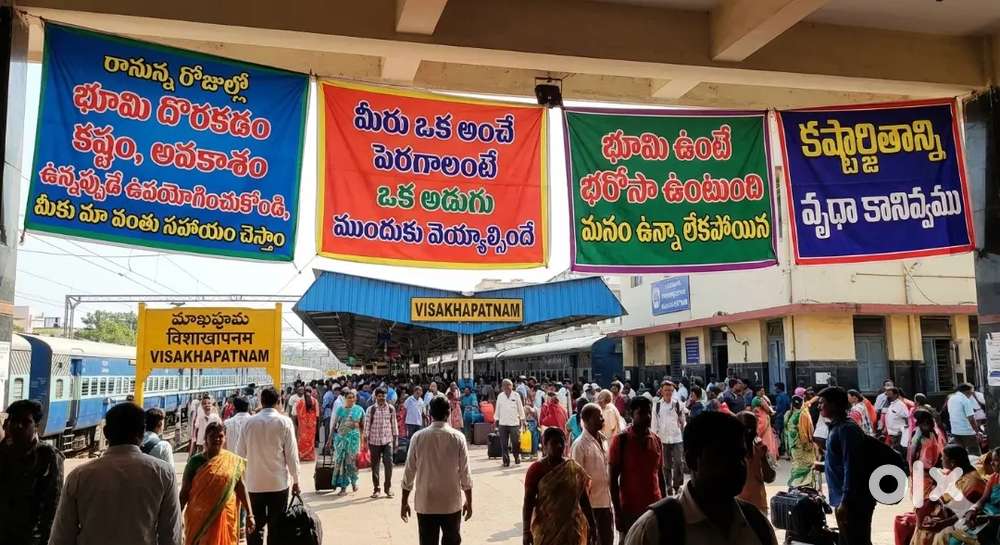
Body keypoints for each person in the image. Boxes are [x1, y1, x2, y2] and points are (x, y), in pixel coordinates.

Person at [622, 411, 778, 545]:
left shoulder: (757, 525)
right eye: (723, 456)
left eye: (740, 456)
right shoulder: (654, 530)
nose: (738, 465)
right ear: (691, 460)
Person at [49, 402, 181, 545]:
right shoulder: (164, 473)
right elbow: (171, 536)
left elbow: (61, 537)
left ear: (105, 433)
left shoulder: (79, 476)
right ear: (143, 432)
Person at [401, 396, 473, 545]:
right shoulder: (458, 437)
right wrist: (469, 501)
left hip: (426, 502)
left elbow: (409, 472)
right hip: (451, 503)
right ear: (449, 413)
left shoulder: (418, 437)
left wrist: (404, 502)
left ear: (430, 414)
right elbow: (465, 473)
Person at [234, 386, 300, 545]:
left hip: (253, 484)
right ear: (279, 401)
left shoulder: (248, 423)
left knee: (254, 526)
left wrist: (238, 480)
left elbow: (239, 455)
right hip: (278, 484)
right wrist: (296, 480)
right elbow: (291, 455)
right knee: (276, 527)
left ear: (261, 402)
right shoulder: (285, 422)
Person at [0, 400, 63, 545]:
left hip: (31, 538)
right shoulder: (3, 452)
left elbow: (53, 505)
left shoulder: (48, 456)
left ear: (36, 426)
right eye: (14, 421)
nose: (18, 426)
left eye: (25, 422)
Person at [179, 421, 254, 545]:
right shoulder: (195, 462)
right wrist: (177, 514)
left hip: (226, 516)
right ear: (205, 438)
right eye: (212, 436)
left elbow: (240, 487)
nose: (217, 439)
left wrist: (250, 515)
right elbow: (184, 491)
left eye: (220, 436)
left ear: (225, 438)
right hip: (199, 518)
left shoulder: (232, 461)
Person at [819, 386, 876, 545]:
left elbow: (853, 467)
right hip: (843, 498)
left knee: (856, 540)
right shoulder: (836, 427)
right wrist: (824, 465)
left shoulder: (847, 429)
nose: (819, 406)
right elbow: (842, 461)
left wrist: (845, 501)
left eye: (822, 402)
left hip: (853, 500)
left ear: (834, 404)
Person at [524, 427, 598, 545]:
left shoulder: (573, 468)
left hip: (572, 531)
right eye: (554, 443)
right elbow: (528, 502)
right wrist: (526, 531)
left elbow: (583, 499)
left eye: (561, 442)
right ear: (545, 445)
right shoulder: (536, 470)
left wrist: (593, 526)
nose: (559, 446)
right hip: (546, 531)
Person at [610, 396, 666, 539]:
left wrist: (665, 505)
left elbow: (660, 475)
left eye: (649, 412)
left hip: (654, 507)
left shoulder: (656, 440)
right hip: (630, 510)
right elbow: (613, 481)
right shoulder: (621, 440)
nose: (647, 417)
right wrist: (617, 513)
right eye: (641, 413)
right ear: (631, 414)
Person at [572, 403, 614, 545]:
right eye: (599, 417)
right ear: (588, 420)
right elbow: (577, 480)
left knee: (607, 540)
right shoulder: (579, 445)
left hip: (606, 502)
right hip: (590, 506)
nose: (603, 419)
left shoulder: (604, 440)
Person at [735, 411, 776, 515]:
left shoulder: (759, 448)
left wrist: (763, 457)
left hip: (751, 506)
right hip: (747, 506)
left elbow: (770, 478)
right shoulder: (730, 452)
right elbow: (770, 478)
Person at [326, 389, 366, 495]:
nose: (351, 399)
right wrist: (329, 439)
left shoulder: (359, 410)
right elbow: (334, 425)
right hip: (341, 439)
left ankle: (354, 482)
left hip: (354, 440)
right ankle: (343, 487)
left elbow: (363, 426)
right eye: (349, 398)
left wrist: (363, 441)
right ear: (345, 399)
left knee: (352, 463)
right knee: (341, 463)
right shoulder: (340, 409)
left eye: (353, 397)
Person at [653, 380, 686, 496]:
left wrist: (682, 422)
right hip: (663, 438)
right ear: (661, 391)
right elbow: (654, 423)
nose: (668, 392)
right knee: (665, 465)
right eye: (666, 390)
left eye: (670, 390)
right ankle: (668, 486)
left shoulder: (678, 404)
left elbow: (683, 421)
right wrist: (655, 439)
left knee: (679, 462)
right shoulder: (657, 405)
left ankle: (677, 485)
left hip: (677, 438)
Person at [365, 387, 399, 499]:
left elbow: (394, 424)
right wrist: (365, 440)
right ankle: (376, 489)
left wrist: (396, 440)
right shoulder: (371, 409)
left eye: (383, 396)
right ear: (376, 397)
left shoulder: (391, 408)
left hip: (387, 440)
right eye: (379, 396)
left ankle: (388, 488)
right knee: (375, 465)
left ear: (386, 396)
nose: (381, 398)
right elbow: (367, 426)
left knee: (389, 464)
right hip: (374, 441)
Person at [783, 396, 817, 488]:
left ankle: (795, 484)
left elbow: (785, 431)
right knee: (806, 464)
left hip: (792, 445)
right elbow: (808, 431)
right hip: (803, 445)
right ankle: (802, 484)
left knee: (797, 464)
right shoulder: (803, 413)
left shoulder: (788, 414)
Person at [948, 383, 984, 456]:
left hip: (955, 431)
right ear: (967, 391)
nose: (971, 395)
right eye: (971, 392)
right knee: (975, 455)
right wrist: (977, 432)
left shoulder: (951, 398)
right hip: (968, 432)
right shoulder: (965, 400)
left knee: (961, 454)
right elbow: (971, 419)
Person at [496, 378, 526, 467]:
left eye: (509, 386)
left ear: (512, 387)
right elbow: (497, 409)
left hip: (514, 424)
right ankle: (506, 460)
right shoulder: (500, 396)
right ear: (503, 387)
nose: (508, 389)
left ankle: (516, 457)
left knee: (515, 442)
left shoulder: (516, 395)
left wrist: (523, 420)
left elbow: (520, 408)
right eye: (505, 387)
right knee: (503, 444)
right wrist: (496, 421)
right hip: (503, 423)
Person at [882, 386, 910, 457]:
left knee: (898, 454)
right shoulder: (891, 404)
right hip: (891, 434)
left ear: (895, 395)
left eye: (889, 393)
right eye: (886, 392)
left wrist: (903, 431)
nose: (887, 394)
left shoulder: (900, 405)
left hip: (898, 435)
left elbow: (907, 418)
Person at [296, 386, 319, 462]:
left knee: (303, 440)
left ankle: (302, 455)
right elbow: (317, 414)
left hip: (303, 425)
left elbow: (296, 414)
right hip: (312, 425)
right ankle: (309, 456)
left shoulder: (299, 402)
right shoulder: (315, 401)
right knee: (311, 440)